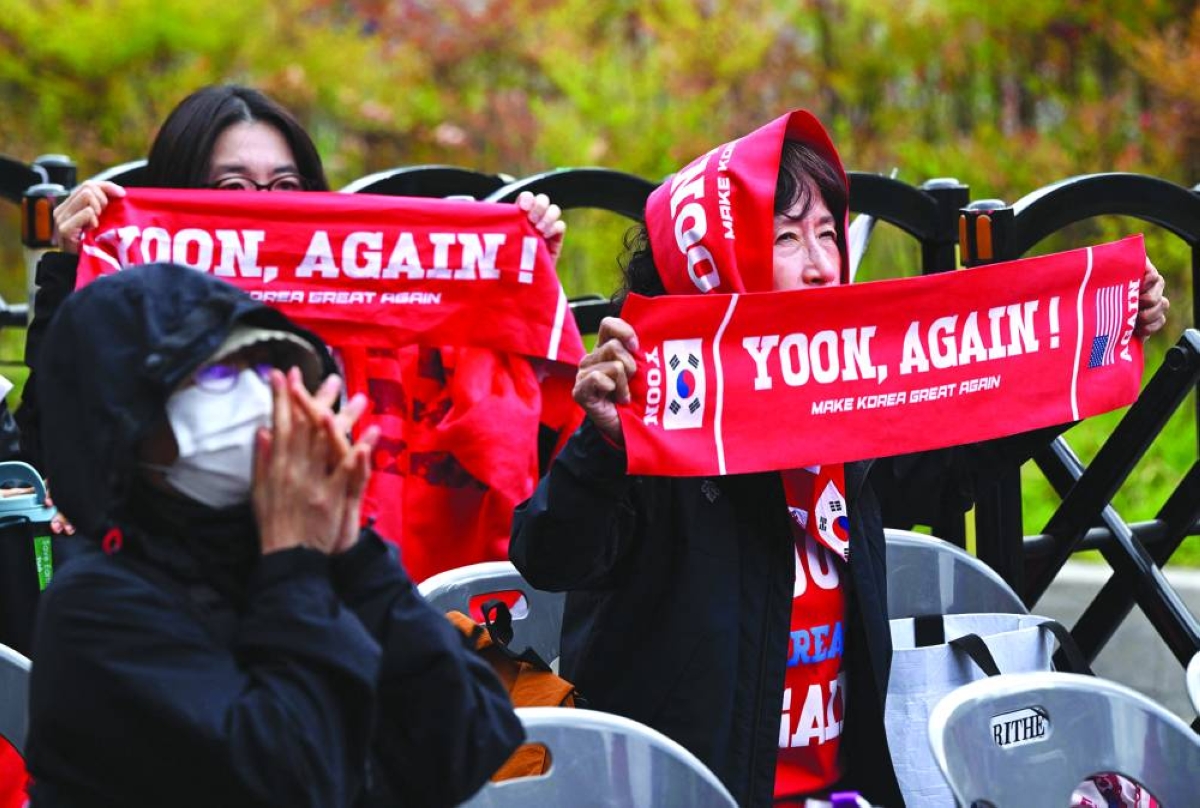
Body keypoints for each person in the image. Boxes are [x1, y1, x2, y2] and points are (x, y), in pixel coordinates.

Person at [509, 109, 1169, 807]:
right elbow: (550, 554)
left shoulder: (843, 403)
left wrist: (1077, 353)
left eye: (828, 233)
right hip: (678, 792)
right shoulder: (646, 418)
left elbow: (944, 469)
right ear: (713, 264)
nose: (822, 264)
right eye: (788, 238)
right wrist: (605, 445)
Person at [24, 262, 524, 807]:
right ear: (124, 423)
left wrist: (354, 552)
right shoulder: (96, 610)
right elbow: (295, 780)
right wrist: (293, 568)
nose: (256, 400)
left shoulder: (311, 556)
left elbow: (470, 743)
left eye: (263, 368)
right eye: (216, 375)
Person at [15, 83, 566, 528]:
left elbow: (507, 449)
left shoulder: (368, 305)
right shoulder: (130, 313)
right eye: (232, 190)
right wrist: (71, 269)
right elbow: (47, 454)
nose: (263, 210)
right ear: (176, 197)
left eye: (285, 186)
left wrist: (510, 271)